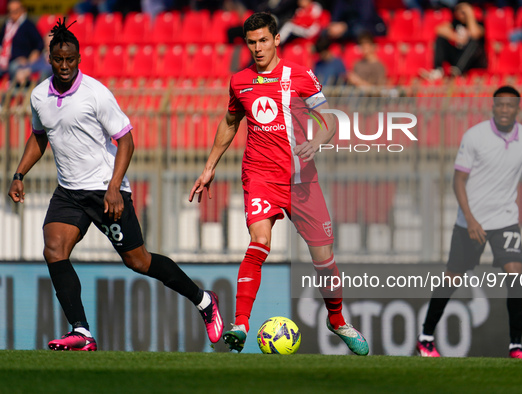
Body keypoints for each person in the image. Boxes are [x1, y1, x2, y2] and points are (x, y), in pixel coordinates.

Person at [7, 19, 223, 351]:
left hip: (105, 189)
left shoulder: (96, 94)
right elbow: (39, 137)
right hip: (69, 191)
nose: (65, 66)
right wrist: (20, 174)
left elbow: (126, 141)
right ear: (49, 59)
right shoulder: (38, 96)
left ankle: (203, 299)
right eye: (59, 59)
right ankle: (82, 331)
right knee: (53, 248)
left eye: (71, 59)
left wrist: (114, 186)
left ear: (79, 58)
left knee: (139, 261)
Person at [189, 12, 369, 356]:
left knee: (324, 260)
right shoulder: (239, 81)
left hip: (302, 180)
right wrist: (209, 167)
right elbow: (230, 122)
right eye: (251, 42)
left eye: (263, 41)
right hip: (260, 176)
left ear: (276, 40)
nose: (258, 48)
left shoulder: (299, 75)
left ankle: (336, 319)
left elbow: (328, 118)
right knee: (260, 241)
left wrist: (317, 141)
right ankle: (240, 324)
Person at [416, 86, 522, 359]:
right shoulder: (475, 136)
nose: (505, 110)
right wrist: (470, 219)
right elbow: (458, 179)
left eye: (510, 106)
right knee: (453, 277)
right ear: (493, 107)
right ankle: (425, 337)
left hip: (506, 219)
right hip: (471, 222)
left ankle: (516, 346)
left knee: (515, 272)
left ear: (518, 109)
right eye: (500, 105)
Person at [420, 2, 486, 81]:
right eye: (458, 10)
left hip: (473, 61)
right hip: (457, 56)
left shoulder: (479, 23)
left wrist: (469, 15)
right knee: (441, 39)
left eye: (463, 12)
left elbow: (475, 34)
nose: (460, 13)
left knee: (474, 43)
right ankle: (438, 70)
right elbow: (439, 29)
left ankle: (458, 69)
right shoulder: (455, 23)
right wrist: (456, 37)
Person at [0, 0, 43, 79]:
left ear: (22, 10)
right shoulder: (7, 24)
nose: (13, 14)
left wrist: (32, 56)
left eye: (15, 11)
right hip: (4, 59)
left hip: (19, 61)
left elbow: (39, 43)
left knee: (13, 68)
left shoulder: (28, 25)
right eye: (10, 11)